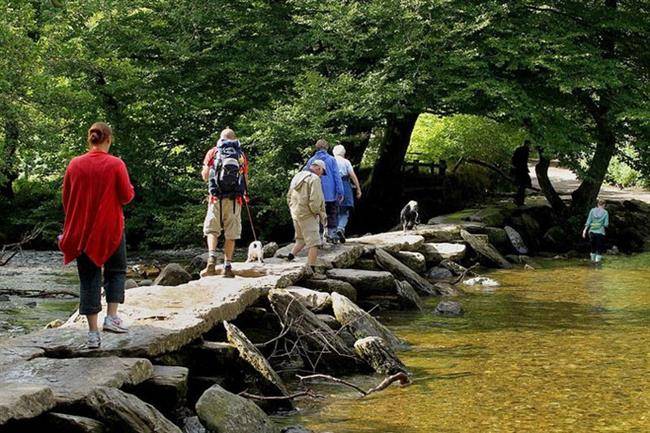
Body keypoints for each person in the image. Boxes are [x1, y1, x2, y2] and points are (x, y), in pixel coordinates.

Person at [59, 122, 135, 349]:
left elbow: (66, 198)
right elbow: (126, 196)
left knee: (89, 278)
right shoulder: (116, 164)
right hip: (110, 229)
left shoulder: (74, 164)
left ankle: (92, 334)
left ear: (89, 139)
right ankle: (111, 318)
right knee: (116, 271)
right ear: (108, 139)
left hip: (82, 231)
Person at [201, 128, 249, 279]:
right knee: (231, 233)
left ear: (221, 138)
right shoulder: (240, 155)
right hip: (235, 200)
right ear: (235, 138)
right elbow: (245, 179)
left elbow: (205, 176)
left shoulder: (213, 152)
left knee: (212, 230)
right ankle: (227, 266)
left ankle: (211, 258)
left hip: (215, 198)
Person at [286, 160, 328, 276]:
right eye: (322, 172)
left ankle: (290, 257)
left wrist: (292, 208)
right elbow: (315, 200)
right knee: (314, 242)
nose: (321, 175)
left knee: (301, 239)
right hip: (308, 214)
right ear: (319, 169)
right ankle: (311, 270)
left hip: (295, 211)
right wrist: (318, 213)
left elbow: (289, 196)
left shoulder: (298, 176)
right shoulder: (314, 179)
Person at [304, 139, 344, 243]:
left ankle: (320, 237)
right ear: (327, 148)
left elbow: (306, 175)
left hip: (316, 193)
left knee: (318, 214)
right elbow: (337, 176)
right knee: (332, 213)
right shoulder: (331, 160)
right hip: (331, 193)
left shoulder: (311, 161)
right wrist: (340, 192)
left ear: (316, 148)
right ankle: (332, 234)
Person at [332, 145, 362, 241]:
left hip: (333, 187)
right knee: (344, 211)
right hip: (345, 185)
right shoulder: (346, 162)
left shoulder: (330, 161)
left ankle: (334, 235)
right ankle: (340, 228)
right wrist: (358, 189)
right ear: (343, 153)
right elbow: (352, 175)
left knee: (333, 211)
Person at [583, 198, 609, 264]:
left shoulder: (592, 210)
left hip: (591, 232)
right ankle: (597, 263)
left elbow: (588, 221)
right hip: (600, 232)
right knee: (599, 248)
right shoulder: (605, 212)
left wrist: (584, 230)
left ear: (597, 204)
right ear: (604, 205)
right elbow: (606, 224)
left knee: (593, 248)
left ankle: (592, 261)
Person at [510, 139, 532, 206]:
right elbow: (523, 161)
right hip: (522, 170)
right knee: (523, 185)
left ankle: (518, 200)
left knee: (521, 186)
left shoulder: (518, 149)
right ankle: (519, 201)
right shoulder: (525, 150)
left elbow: (513, 159)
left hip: (517, 169)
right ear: (527, 144)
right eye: (529, 144)